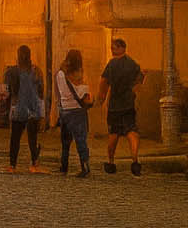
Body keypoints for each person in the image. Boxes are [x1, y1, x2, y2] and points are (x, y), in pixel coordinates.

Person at [97, 37, 145, 176]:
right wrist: (134, 93)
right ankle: (135, 160)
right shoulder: (132, 64)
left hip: (115, 106)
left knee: (114, 134)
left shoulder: (112, 64)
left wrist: (102, 97)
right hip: (129, 104)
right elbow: (140, 80)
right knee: (131, 131)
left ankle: (111, 163)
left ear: (122, 48)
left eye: (114, 48)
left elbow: (104, 82)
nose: (112, 50)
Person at [3, 44, 47, 174]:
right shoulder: (36, 71)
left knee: (15, 138)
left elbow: (7, 91)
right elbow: (41, 92)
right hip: (33, 108)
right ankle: (34, 163)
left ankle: (13, 165)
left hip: (18, 108)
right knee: (32, 138)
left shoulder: (12, 72)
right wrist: (42, 112)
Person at [53, 48, 92, 178]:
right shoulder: (78, 73)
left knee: (65, 141)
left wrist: (60, 106)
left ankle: (64, 167)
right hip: (77, 110)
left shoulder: (60, 73)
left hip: (65, 109)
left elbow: (58, 92)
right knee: (81, 140)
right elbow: (82, 90)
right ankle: (85, 166)